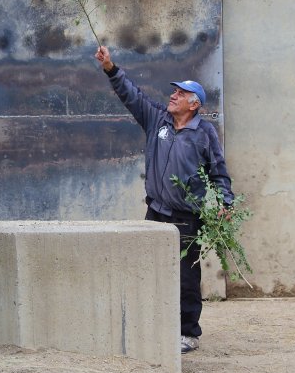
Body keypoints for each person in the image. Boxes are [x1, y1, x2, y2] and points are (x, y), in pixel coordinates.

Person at [94, 46, 234, 354]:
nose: (173, 95)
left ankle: (188, 334)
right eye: (174, 92)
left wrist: (226, 201)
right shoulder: (157, 120)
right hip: (155, 212)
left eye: (181, 94)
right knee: (148, 268)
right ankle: (155, 325)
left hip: (186, 217)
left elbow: (219, 172)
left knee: (185, 277)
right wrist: (110, 67)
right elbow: (131, 96)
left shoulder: (204, 134)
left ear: (194, 104)